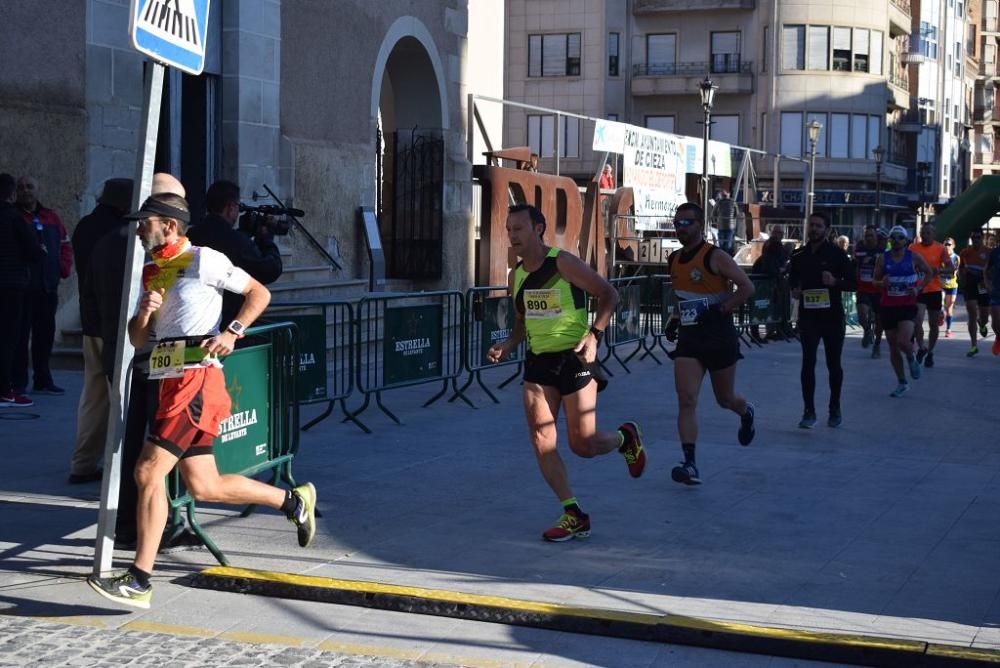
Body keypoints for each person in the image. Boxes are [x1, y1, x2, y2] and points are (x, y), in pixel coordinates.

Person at [87, 193, 317, 609]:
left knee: (147, 471)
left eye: (146, 223)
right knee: (203, 484)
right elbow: (139, 340)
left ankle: (140, 578)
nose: (139, 230)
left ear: (169, 226)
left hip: (195, 380)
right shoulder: (152, 270)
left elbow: (258, 293)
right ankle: (293, 500)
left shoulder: (203, 259)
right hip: (166, 378)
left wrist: (231, 331)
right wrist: (143, 313)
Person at [487, 204, 645, 542]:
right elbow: (521, 321)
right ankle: (573, 512)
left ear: (538, 228)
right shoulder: (516, 276)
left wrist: (594, 336)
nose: (512, 235)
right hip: (538, 363)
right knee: (541, 439)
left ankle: (624, 438)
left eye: (519, 228)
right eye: (509, 229)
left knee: (582, 445)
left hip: (574, 358)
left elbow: (609, 294)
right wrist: (509, 345)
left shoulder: (562, 262)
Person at [663, 202, 755, 486]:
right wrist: (675, 319)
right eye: (677, 223)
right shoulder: (675, 259)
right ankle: (689, 463)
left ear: (700, 224)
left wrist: (723, 309)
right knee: (686, 399)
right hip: (690, 338)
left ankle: (746, 411)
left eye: (686, 223)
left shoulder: (715, 256)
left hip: (718, 336)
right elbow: (682, 296)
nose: (681, 228)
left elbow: (748, 287)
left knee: (724, 399)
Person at [68, 178, 134, 484]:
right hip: (112, 325)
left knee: (93, 398)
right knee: (119, 399)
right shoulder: (119, 233)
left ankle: (83, 463)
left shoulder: (85, 226)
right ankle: (118, 468)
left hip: (90, 321)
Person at [788, 213, 854, 428]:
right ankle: (809, 411)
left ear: (827, 229)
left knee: (833, 364)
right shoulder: (799, 255)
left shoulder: (837, 255)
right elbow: (792, 281)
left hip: (832, 318)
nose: (814, 229)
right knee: (808, 363)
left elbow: (854, 283)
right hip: (809, 318)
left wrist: (835, 281)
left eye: (818, 226)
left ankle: (834, 408)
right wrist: (795, 290)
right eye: (811, 226)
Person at [187, 180, 282, 329]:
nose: (238, 212)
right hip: (226, 324)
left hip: (194, 320)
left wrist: (244, 233)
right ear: (230, 207)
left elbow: (222, 241)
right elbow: (270, 270)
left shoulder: (192, 234)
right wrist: (266, 240)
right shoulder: (236, 241)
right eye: (238, 206)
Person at [13, 175, 72, 395]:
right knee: (20, 338)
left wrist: (62, 269)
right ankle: (18, 381)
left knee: (44, 336)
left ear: (37, 190)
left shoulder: (51, 217)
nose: (25, 191)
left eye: (29, 186)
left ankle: (43, 379)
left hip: (47, 287)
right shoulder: (14, 217)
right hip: (22, 288)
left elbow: (65, 245)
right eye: (21, 187)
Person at [872, 226, 933, 398]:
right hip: (888, 306)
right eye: (894, 237)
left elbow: (929, 273)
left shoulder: (914, 257)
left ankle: (912, 357)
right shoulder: (882, 259)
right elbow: (874, 281)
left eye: (900, 237)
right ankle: (902, 382)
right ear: (890, 240)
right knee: (892, 345)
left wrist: (919, 288)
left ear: (906, 240)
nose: (896, 240)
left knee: (903, 341)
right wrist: (881, 283)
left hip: (907, 305)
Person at [0, 173, 44, 407]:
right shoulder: (13, 218)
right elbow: (34, 251)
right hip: (11, 285)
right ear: (11, 194)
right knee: (8, 339)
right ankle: (6, 390)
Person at [909, 223, 952, 369]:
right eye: (923, 233)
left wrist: (938, 270)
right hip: (919, 290)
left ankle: (931, 352)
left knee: (934, 324)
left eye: (927, 233)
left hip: (934, 290)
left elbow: (951, 269)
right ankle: (922, 348)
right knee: (917, 320)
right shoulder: (912, 248)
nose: (925, 236)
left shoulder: (940, 248)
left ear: (933, 234)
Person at [958, 230, 991, 356]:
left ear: (982, 238)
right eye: (973, 237)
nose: (975, 239)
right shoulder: (965, 253)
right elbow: (961, 268)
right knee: (971, 313)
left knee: (984, 316)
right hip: (970, 286)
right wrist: (962, 280)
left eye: (977, 237)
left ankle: (982, 324)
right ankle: (973, 345)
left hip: (983, 285)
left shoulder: (989, 252)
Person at [854, 226, 884, 357]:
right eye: (866, 236)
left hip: (878, 288)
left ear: (876, 237)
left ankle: (877, 344)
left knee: (879, 319)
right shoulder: (860, 247)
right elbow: (856, 265)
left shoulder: (882, 250)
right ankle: (867, 330)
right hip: (863, 287)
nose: (868, 238)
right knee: (861, 314)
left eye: (871, 235)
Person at [940, 237, 959, 338]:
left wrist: (940, 270)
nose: (947, 246)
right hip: (941, 285)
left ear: (953, 246)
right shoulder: (940, 256)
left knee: (949, 308)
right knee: (941, 304)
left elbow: (952, 271)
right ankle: (941, 315)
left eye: (949, 244)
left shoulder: (955, 257)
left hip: (952, 285)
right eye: (945, 244)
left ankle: (948, 329)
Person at [985, 242, 1000, 355]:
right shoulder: (995, 252)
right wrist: (988, 285)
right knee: (995, 323)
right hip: (996, 291)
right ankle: (998, 337)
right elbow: (986, 270)